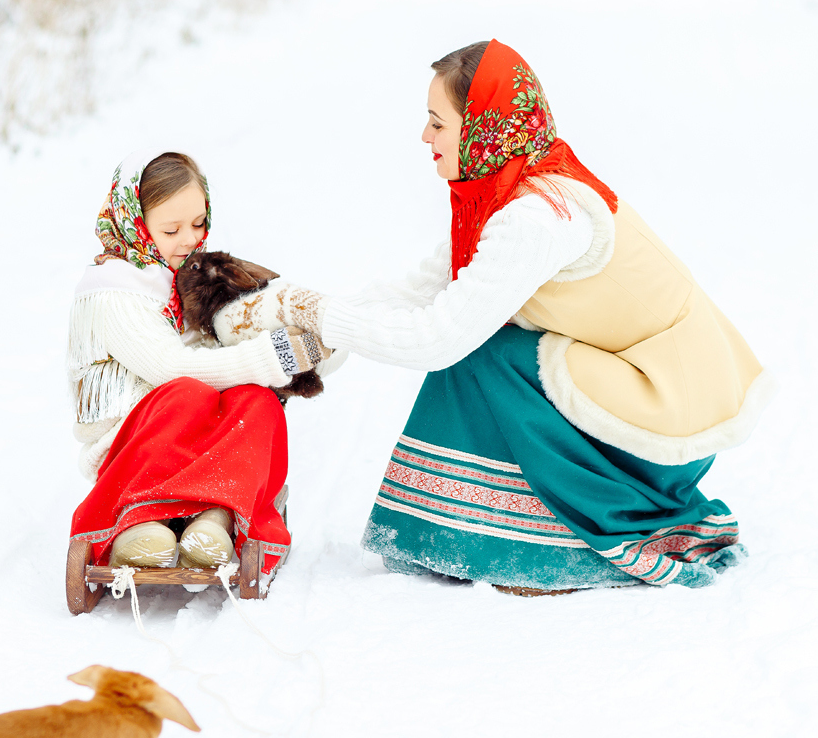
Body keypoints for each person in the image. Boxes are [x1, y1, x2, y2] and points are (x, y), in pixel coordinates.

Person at [213, 40, 775, 593]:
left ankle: (541, 535)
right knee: (481, 338)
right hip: (640, 389)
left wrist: (323, 318)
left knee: (480, 351)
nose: (425, 137)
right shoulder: (505, 192)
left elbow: (436, 340)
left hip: (667, 414)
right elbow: (415, 290)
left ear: (483, 126)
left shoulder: (538, 217)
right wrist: (293, 314)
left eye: (438, 122)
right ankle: (503, 521)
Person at [66, 149, 337, 577]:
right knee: (186, 391)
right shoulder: (112, 288)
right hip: (133, 446)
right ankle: (143, 519)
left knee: (257, 401)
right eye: (171, 229)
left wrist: (298, 338)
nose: (190, 240)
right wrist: (269, 358)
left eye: (198, 224)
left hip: (193, 435)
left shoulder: (187, 276)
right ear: (134, 223)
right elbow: (170, 368)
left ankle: (217, 516)